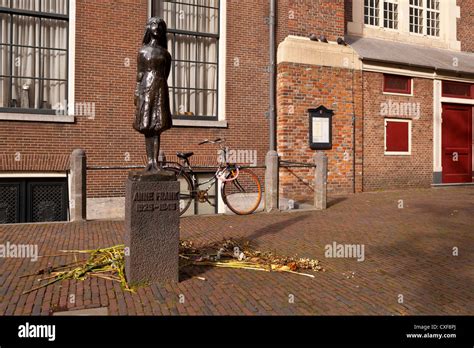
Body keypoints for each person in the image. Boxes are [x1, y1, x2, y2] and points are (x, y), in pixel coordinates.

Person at [134, 17, 172, 172]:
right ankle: (149, 161)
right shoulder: (142, 51)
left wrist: (159, 85)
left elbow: (166, 73)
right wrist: (137, 92)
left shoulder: (166, 54)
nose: (157, 27)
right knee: (147, 124)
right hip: (146, 88)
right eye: (154, 24)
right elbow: (140, 73)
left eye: (160, 25)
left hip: (160, 89)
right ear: (148, 28)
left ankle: (155, 161)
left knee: (157, 125)